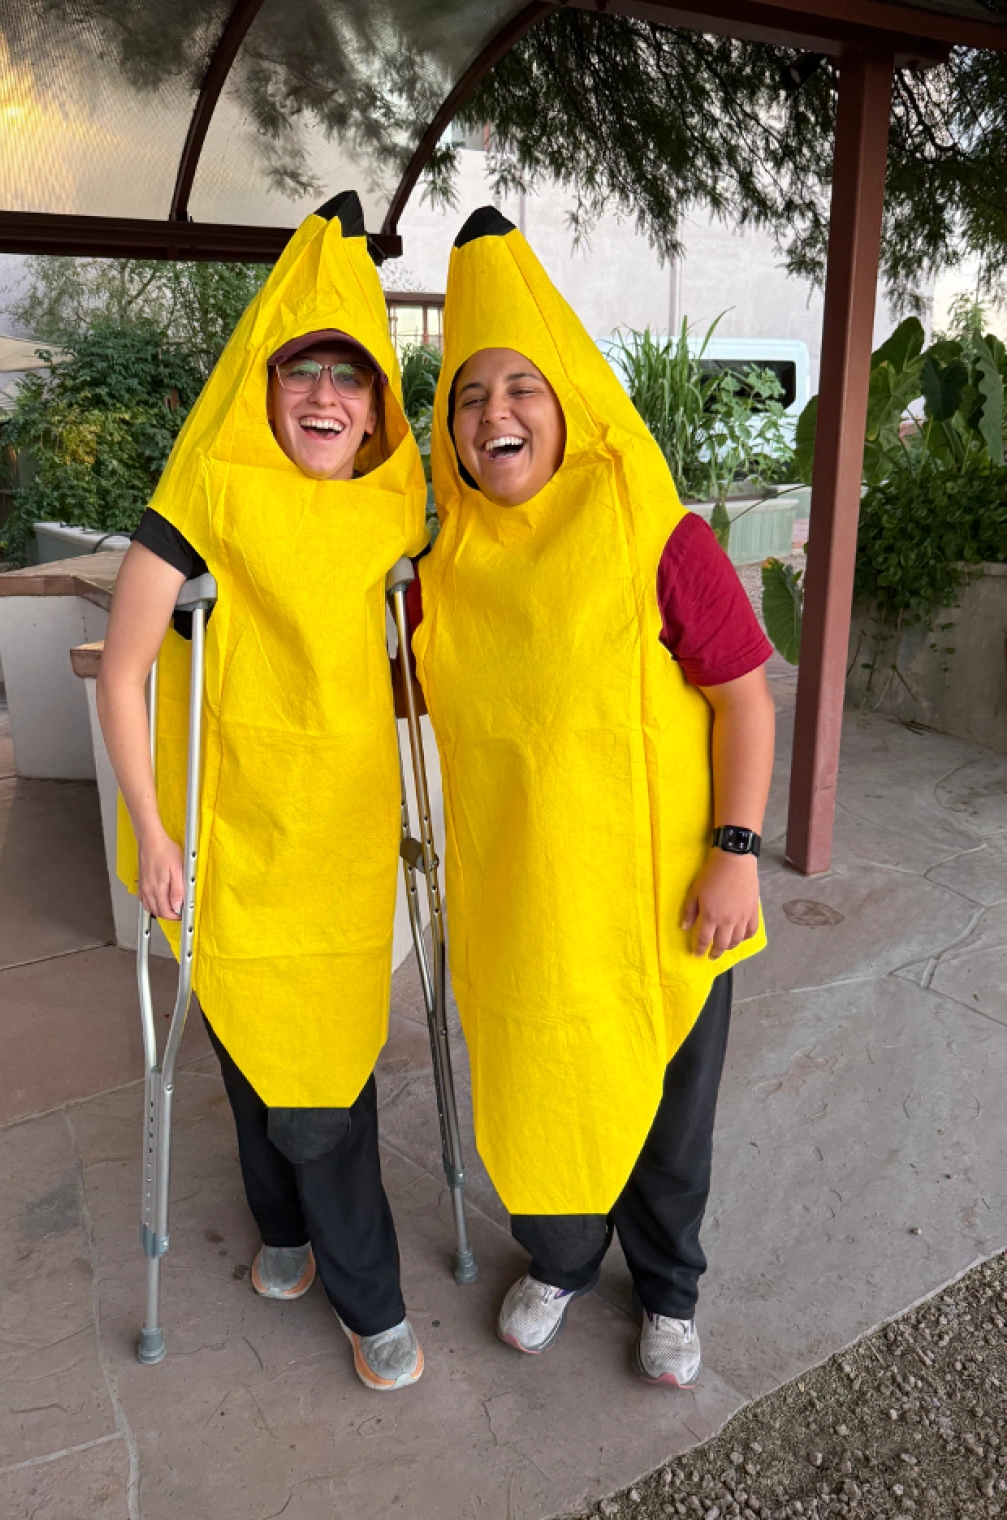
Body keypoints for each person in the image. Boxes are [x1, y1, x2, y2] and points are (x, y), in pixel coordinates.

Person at [409, 207, 775, 1388]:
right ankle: (561, 1261)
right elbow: (374, 692)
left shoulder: (654, 534)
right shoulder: (440, 571)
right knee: (537, 1086)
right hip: (524, 906)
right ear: (448, 430)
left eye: (521, 385)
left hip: (669, 899)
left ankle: (668, 1291)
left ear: (568, 400)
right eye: (469, 395)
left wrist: (736, 847)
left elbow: (744, 696)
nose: (495, 413)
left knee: (671, 1127)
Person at [97, 192, 429, 1393]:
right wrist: (152, 827)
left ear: (376, 396)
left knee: (325, 1084)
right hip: (232, 841)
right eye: (303, 371)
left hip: (340, 848)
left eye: (351, 375)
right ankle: (292, 1239)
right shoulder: (206, 495)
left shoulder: (401, 505)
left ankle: (358, 1281)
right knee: (250, 1058)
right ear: (267, 381)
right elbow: (128, 668)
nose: (326, 397)